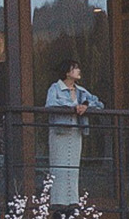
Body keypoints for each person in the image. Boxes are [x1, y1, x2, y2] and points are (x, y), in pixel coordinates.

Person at [44, 59, 104, 205]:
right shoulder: (55, 88)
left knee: (73, 168)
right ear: (67, 72)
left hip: (76, 132)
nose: (78, 71)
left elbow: (99, 104)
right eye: (75, 68)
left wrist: (86, 105)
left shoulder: (81, 91)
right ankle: (58, 204)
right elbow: (50, 104)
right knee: (59, 167)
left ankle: (72, 202)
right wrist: (73, 106)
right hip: (60, 131)